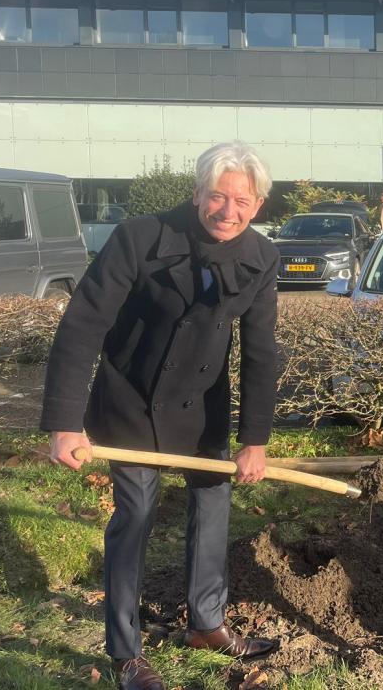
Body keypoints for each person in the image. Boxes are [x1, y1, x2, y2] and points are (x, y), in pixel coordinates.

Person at [41, 142, 282, 690]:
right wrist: (64, 422)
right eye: (217, 196)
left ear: (259, 204)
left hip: (202, 409)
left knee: (213, 508)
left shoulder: (262, 259)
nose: (228, 210)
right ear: (197, 194)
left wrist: (255, 440)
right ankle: (126, 652)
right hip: (130, 402)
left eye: (242, 200)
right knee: (137, 515)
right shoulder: (140, 238)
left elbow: (262, 352)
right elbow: (82, 327)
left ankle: (207, 624)